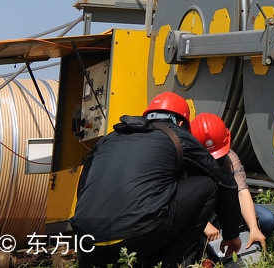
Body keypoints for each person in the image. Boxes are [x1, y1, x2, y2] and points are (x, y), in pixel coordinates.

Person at [71, 91, 241, 268]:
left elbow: (83, 189)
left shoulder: (107, 141)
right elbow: (225, 182)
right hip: (134, 240)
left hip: (87, 244)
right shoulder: (177, 135)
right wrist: (231, 234)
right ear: (181, 123)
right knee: (208, 186)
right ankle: (163, 265)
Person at [191, 112, 274, 260]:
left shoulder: (230, 158)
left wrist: (254, 227)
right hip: (198, 212)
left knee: (267, 220)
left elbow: (242, 192)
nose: (214, 162)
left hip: (226, 206)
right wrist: (203, 224)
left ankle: (250, 247)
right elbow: (180, 205)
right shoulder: (185, 162)